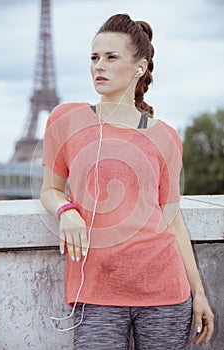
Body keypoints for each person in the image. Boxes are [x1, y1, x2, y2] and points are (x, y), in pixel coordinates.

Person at [40, 13, 214, 350]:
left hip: (165, 290)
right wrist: (66, 210)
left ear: (139, 66)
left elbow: (172, 218)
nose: (98, 66)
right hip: (96, 293)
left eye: (111, 57)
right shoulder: (66, 120)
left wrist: (199, 293)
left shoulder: (166, 136)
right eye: (94, 57)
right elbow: (50, 189)